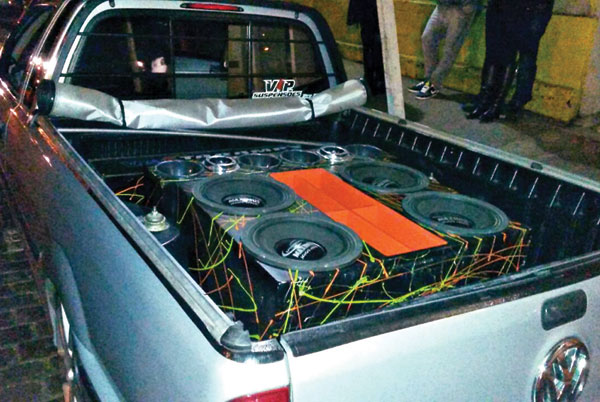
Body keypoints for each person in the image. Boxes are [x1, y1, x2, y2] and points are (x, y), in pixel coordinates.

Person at [465, 0, 554, 122]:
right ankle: (486, 100)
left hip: (523, 9)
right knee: (493, 53)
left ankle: (499, 103)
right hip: (503, 7)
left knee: (512, 55)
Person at [410, 0, 481, 100]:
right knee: (427, 38)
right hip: (442, 6)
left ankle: (434, 84)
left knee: (450, 50)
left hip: (460, 8)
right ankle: (428, 80)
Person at [347, 0, 386, 94]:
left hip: (369, 10)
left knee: (370, 43)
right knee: (373, 43)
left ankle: (373, 78)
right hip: (371, 10)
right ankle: (376, 78)